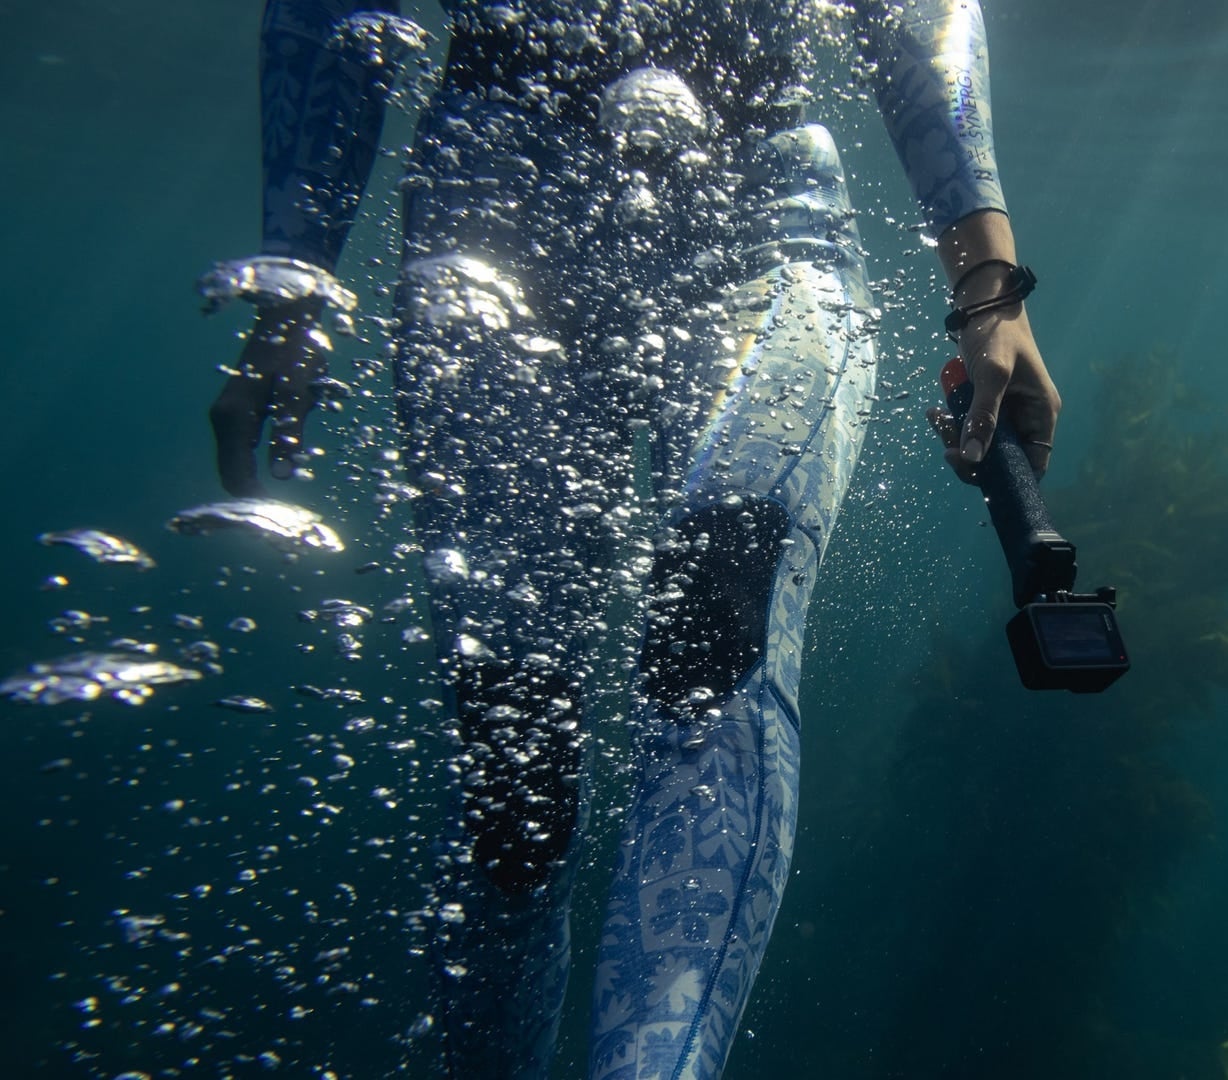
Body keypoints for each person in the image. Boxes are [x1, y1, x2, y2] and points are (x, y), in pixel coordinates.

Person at [198, 2, 1060, 1077]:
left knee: (718, 639)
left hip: (763, 203)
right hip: (491, 199)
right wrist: (291, 285)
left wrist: (987, 282)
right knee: (513, 760)